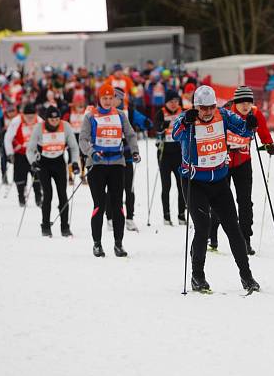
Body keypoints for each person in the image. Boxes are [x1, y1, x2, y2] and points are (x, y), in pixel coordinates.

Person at [171, 85, 260, 293]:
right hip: (195, 182)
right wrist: (185, 122)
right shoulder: (188, 118)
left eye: (211, 107)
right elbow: (175, 134)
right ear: (196, 107)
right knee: (203, 226)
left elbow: (243, 130)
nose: (208, 112)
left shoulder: (224, 115)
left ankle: (247, 277)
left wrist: (251, 125)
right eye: (203, 108)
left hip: (219, 181)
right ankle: (197, 277)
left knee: (233, 229)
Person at [208, 86, 274, 254]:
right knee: (219, 201)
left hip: (244, 162)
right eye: (242, 103)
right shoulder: (224, 113)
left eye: (249, 102)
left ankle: (246, 239)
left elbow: (263, 130)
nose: (246, 106)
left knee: (245, 202)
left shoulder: (254, 113)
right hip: (223, 162)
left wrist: (268, 143)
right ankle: (212, 235)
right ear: (235, 103)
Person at [78, 84, 140, 258]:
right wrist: (91, 153)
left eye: (110, 98)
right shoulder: (90, 116)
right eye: (104, 98)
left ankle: (118, 244)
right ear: (99, 98)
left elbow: (130, 134)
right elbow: (82, 139)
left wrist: (134, 151)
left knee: (118, 205)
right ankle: (97, 244)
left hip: (116, 164)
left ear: (114, 98)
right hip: (96, 165)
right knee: (99, 205)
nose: (107, 101)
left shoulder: (120, 115)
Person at [26, 106, 80, 237]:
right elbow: (30, 148)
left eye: (57, 119)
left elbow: (73, 146)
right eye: (52, 119)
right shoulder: (39, 128)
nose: (55, 121)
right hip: (44, 164)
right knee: (48, 195)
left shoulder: (66, 126)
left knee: (63, 195)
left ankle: (65, 227)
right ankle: (45, 226)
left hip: (59, 163)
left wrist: (74, 163)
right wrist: (32, 162)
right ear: (46, 119)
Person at [105, 87, 150, 232]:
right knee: (111, 189)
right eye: (112, 98)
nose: (113, 101)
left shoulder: (128, 111)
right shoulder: (104, 112)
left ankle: (129, 218)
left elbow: (143, 120)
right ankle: (110, 218)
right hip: (110, 155)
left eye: (116, 98)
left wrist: (147, 123)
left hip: (127, 154)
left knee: (128, 188)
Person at [154, 90, 185, 225]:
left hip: (180, 153)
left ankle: (181, 214)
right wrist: (164, 126)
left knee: (182, 185)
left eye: (176, 101)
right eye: (171, 101)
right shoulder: (161, 113)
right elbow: (157, 128)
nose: (173, 104)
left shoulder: (183, 111)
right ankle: (166, 216)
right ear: (166, 102)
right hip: (165, 154)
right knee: (166, 186)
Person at [5, 103, 43, 208]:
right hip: (21, 153)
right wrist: (9, 153)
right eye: (28, 117)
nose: (30, 119)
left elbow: (45, 137)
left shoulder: (39, 121)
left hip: (34, 154)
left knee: (37, 175)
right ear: (23, 115)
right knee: (20, 177)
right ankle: (21, 196)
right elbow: (8, 138)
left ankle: (38, 197)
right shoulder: (16, 121)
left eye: (32, 116)